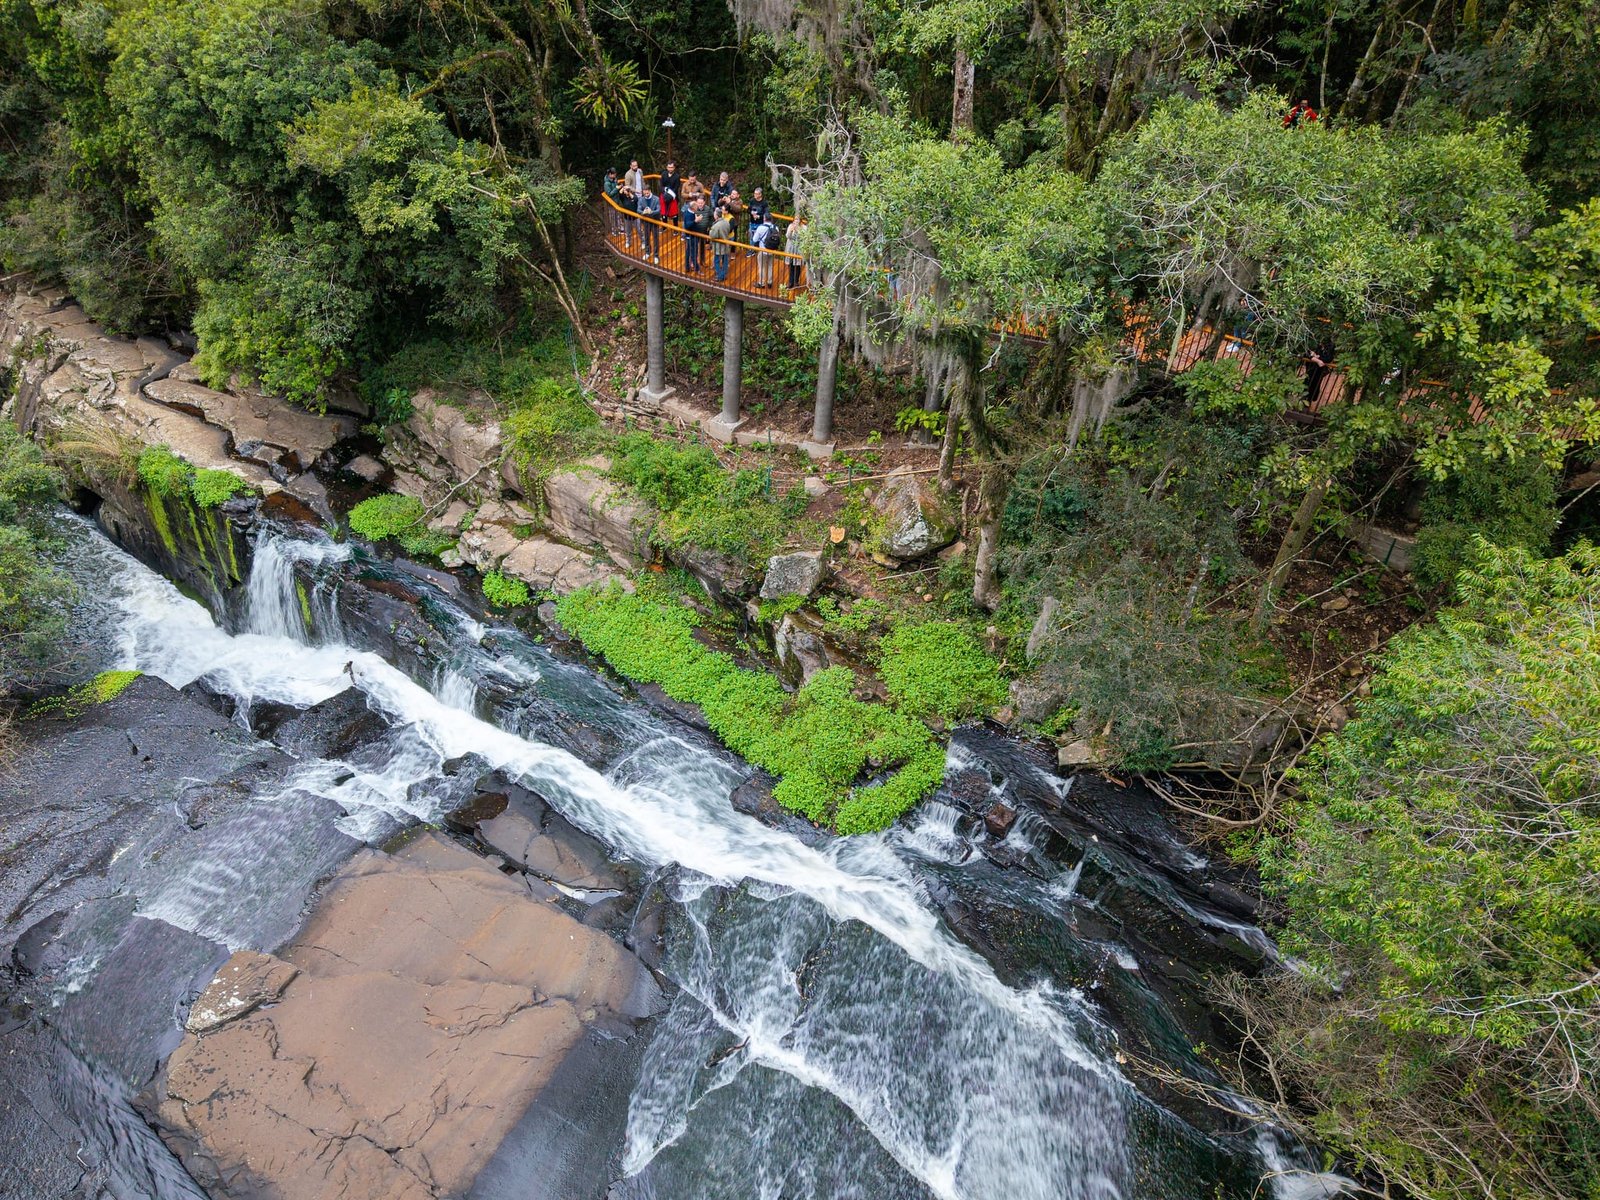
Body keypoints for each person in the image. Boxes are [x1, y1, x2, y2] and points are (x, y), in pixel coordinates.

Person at [1303, 336, 1335, 406]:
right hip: (1311, 368)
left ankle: (1309, 401)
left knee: (1314, 385)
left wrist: (1318, 357)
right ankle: (1304, 401)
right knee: (1307, 383)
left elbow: (1328, 359)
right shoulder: (1316, 346)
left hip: (1319, 371)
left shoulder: (1330, 348)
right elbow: (1306, 353)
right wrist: (1316, 360)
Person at [709, 206, 733, 282]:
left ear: (716, 215)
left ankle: (720, 276)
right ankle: (723, 274)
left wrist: (710, 231)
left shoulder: (716, 225)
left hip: (718, 246)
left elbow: (712, 235)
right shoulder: (726, 222)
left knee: (716, 261)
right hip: (726, 244)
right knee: (725, 260)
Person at [638, 184, 661, 262]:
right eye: (645, 193)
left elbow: (658, 210)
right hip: (646, 222)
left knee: (655, 238)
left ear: (650, 191)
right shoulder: (641, 199)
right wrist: (643, 212)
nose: (646, 194)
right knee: (647, 237)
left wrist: (652, 212)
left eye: (647, 193)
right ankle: (647, 252)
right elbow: (638, 210)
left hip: (654, 221)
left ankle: (656, 255)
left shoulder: (656, 199)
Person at [683, 197, 707, 272]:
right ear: (693, 208)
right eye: (696, 206)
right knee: (693, 252)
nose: (698, 206)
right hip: (691, 236)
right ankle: (696, 269)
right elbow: (687, 225)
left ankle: (688, 267)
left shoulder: (690, 212)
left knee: (689, 251)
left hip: (693, 236)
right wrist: (696, 221)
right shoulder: (688, 214)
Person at [785, 215, 805, 291]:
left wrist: (798, 230)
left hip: (798, 248)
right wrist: (791, 230)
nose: (796, 221)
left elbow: (803, 238)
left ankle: (796, 281)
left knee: (797, 265)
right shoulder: (791, 226)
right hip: (791, 248)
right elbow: (788, 236)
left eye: (798, 219)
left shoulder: (803, 228)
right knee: (791, 265)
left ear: (800, 220)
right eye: (795, 219)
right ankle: (790, 282)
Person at [602, 167, 621, 235]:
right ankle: (614, 230)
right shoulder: (607, 183)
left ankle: (619, 229)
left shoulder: (614, 180)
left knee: (618, 216)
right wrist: (616, 188)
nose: (615, 176)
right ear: (610, 174)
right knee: (613, 217)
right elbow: (609, 194)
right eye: (614, 174)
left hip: (617, 201)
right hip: (611, 203)